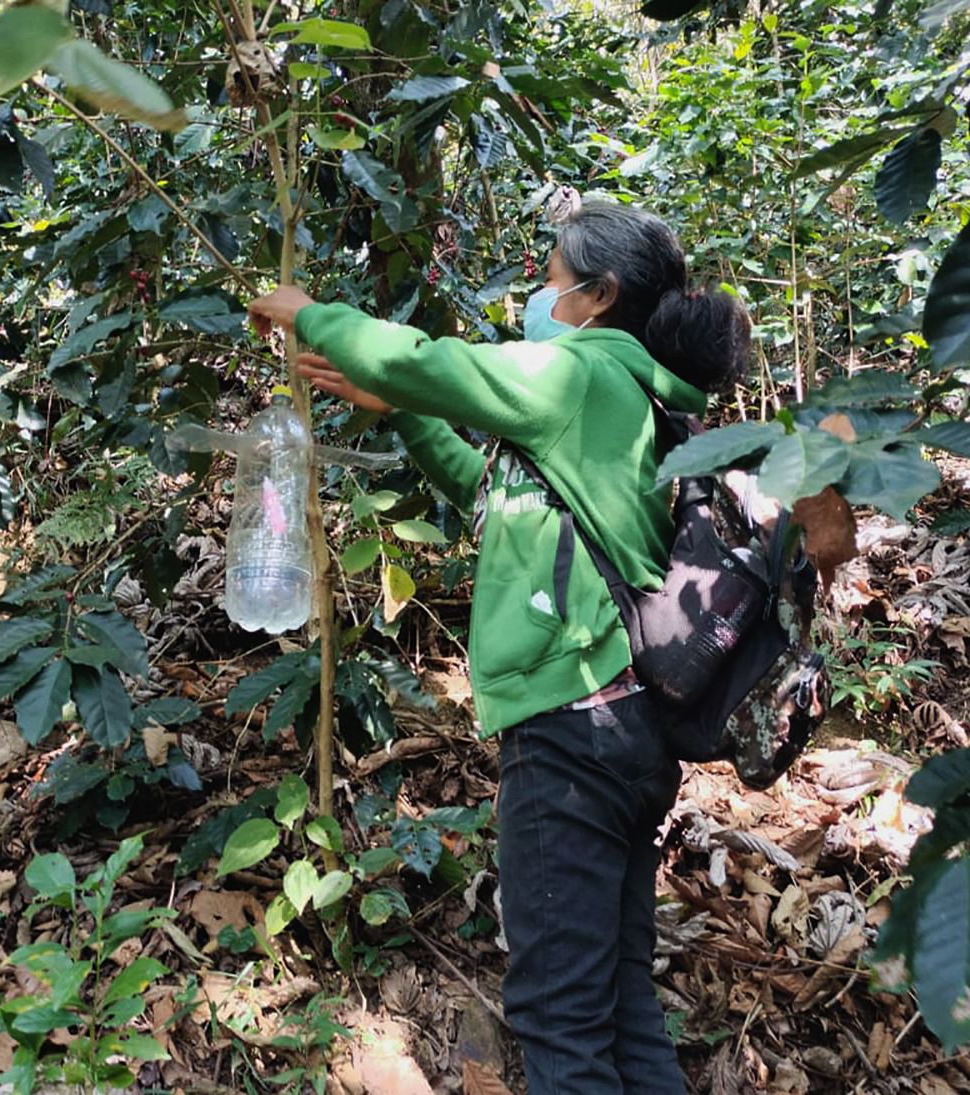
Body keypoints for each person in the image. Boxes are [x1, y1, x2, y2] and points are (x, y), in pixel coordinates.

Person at [247, 201, 751, 1095]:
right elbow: (485, 487)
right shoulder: (622, 397)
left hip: (572, 736)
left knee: (560, 1023)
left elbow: (432, 363)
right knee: (620, 1002)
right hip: (627, 730)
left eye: (552, 275)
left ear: (599, 295)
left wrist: (310, 315)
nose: (537, 290)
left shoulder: (579, 376)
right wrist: (397, 409)